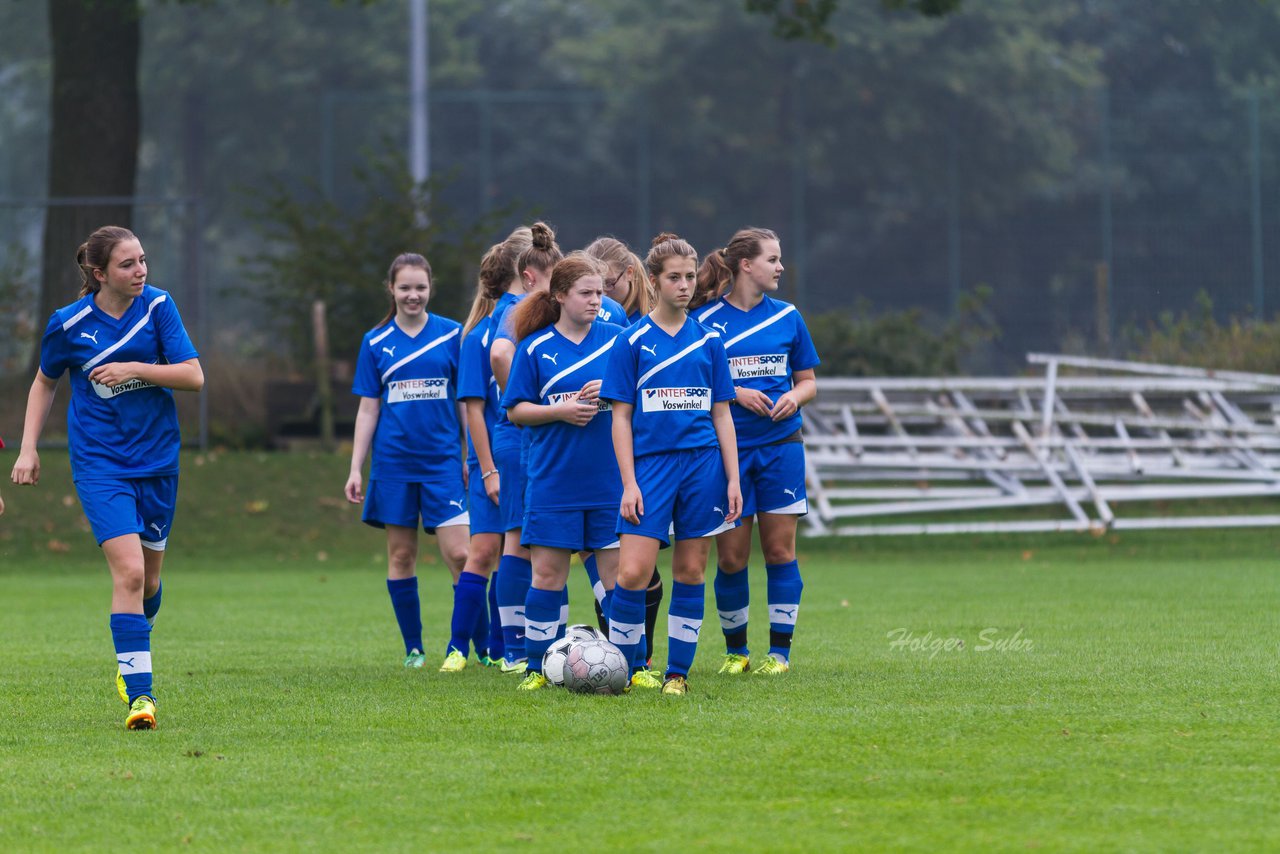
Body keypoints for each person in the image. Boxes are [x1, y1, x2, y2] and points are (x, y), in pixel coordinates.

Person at [10, 225, 204, 730]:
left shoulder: (159, 307)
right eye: (127, 264)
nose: (140, 271)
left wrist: (136, 368)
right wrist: (28, 449)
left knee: (152, 580)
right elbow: (44, 383)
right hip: (100, 464)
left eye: (143, 260)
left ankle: (134, 638)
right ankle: (141, 695)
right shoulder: (68, 323)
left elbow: (193, 376)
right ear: (99, 274)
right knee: (131, 574)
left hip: (159, 461)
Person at [600, 232, 742, 696]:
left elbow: (722, 413)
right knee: (632, 573)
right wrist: (628, 482)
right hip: (650, 469)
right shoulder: (631, 340)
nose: (684, 286)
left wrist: (733, 478)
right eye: (673, 278)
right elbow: (620, 417)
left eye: (688, 277)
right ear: (654, 282)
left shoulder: (710, 341)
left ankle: (676, 675)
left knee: (690, 571)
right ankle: (626, 667)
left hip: (703, 468)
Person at [693, 228, 820, 675]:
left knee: (781, 551)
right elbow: (698, 387)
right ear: (746, 265)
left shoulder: (788, 318)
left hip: (781, 448)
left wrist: (795, 397)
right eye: (772, 259)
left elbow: (808, 381)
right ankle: (736, 652)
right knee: (730, 557)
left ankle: (779, 654)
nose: (780, 267)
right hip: (728, 453)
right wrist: (736, 393)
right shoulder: (705, 323)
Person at [501, 255, 625, 690]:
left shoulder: (618, 340)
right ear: (559, 296)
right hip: (554, 482)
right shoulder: (535, 348)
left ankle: (632, 665)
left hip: (610, 481)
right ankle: (538, 669)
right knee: (548, 578)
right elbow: (516, 411)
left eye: (600, 293)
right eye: (586, 293)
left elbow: (638, 399)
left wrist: (609, 392)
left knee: (618, 581)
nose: (597, 301)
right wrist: (560, 410)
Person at [344, 252, 470, 670]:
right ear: (391, 289)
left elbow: (469, 404)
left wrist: (472, 455)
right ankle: (414, 648)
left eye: (420, 287)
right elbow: (368, 409)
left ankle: (468, 645)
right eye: (405, 287)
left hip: (444, 462)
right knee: (401, 556)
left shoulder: (452, 335)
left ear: (430, 287)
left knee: (463, 556)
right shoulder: (375, 342)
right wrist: (355, 467)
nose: (413, 295)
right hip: (394, 465)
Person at [452, 227, 532, 669]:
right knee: (484, 551)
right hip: (493, 459)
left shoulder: (540, 328)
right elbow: (474, 410)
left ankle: (506, 647)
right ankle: (457, 647)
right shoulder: (480, 337)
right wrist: (485, 468)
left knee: (518, 549)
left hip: (528, 453)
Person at [582, 236, 664, 659]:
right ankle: (623, 656)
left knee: (644, 575)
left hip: (647, 457)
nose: (599, 298)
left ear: (629, 276)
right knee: (613, 572)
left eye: (607, 286)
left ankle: (637, 656)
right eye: (591, 289)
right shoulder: (597, 322)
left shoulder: (647, 327)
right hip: (594, 458)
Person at [488, 222, 564, 673]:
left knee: (550, 541)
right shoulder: (517, 306)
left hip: (541, 435)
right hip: (523, 435)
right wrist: (522, 399)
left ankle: (551, 645)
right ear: (532, 276)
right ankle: (517, 651)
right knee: (520, 540)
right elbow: (500, 355)